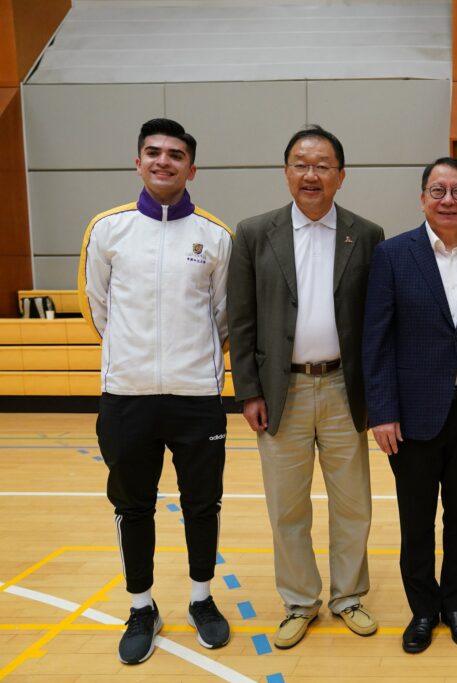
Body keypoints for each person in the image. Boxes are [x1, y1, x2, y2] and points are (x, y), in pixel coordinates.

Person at [78, 118, 232, 664]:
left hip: (197, 400)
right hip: (127, 397)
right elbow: (99, 308)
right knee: (132, 505)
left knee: (202, 505)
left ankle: (201, 598)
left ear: (192, 167)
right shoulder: (108, 230)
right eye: (153, 153)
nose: (163, 161)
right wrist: (134, 358)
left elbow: (222, 318)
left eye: (175, 155)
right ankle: (141, 605)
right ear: (137, 162)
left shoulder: (215, 237)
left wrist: (196, 369)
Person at [227, 125, 384, 649]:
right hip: (280, 391)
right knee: (287, 506)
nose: (311, 174)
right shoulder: (253, 233)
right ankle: (299, 601)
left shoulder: (366, 234)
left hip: (344, 386)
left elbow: (377, 321)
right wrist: (248, 391)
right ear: (286, 172)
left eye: (322, 165)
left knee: (353, 504)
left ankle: (349, 597)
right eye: (300, 163)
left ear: (341, 175)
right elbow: (242, 320)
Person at [362, 157, 457, 654]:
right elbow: (377, 340)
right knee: (416, 520)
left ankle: (456, 605)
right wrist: (382, 411)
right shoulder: (392, 255)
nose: (448, 200)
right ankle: (423, 611)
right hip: (411, 415)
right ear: (423, 198)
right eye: (438, 190)